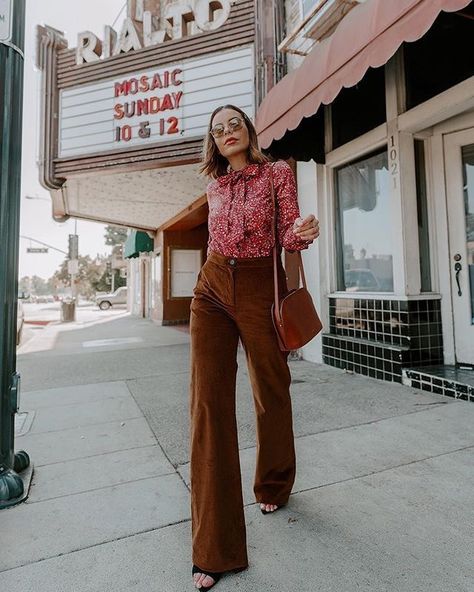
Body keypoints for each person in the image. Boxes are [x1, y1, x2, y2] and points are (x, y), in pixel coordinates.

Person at [189, 104, 320, 590]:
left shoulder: (277, 173)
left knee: (270, 387)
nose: (226, 133)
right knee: (208, 407)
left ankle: (274, 480)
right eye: (217, 129)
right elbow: (212, 240)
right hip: (212, 286)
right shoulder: (213, 186)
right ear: (213, 141)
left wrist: (300, 234)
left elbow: (286, 229)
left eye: (233, 124)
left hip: (258, 286)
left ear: (247, 131)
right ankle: (214, 551)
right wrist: (211, 277)